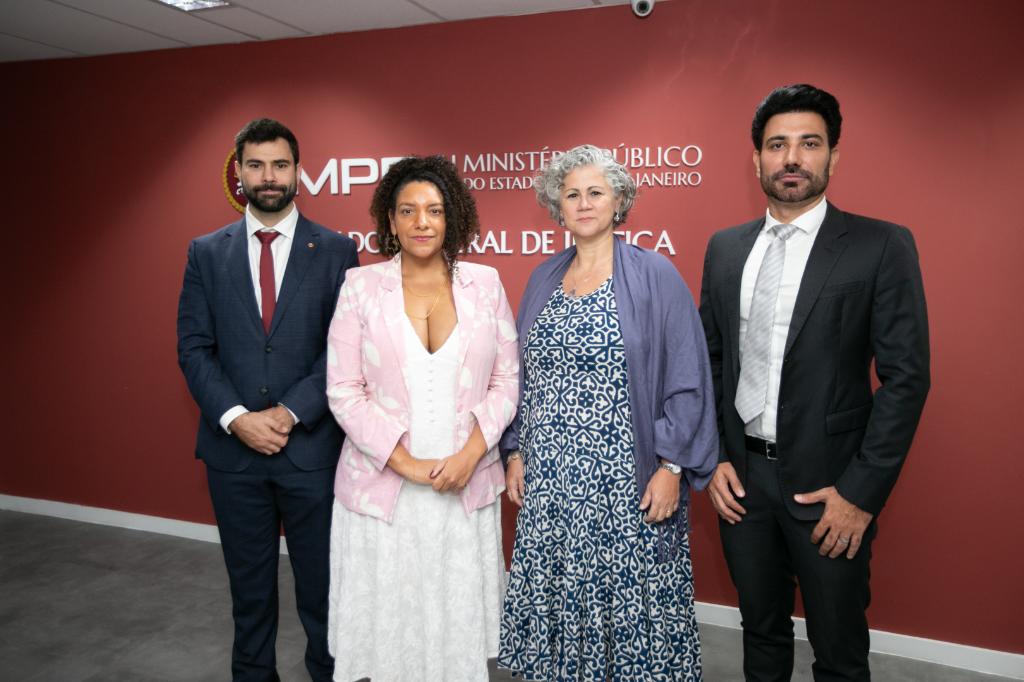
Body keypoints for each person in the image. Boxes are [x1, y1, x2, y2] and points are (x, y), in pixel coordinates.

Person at [699, 84, 930, 681]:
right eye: (777, 145)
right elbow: (712, 362)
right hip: (742, 485)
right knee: (761, 635)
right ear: (757, 159)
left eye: (810, 143)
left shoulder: (880, 245)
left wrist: (860, 494)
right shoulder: (725, 249)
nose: (792, 158)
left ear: (833, 156)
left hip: (831, 490)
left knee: (839, 653)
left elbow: (906, 379)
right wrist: (715, 458)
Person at [499, 144, 718, 681]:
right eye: (572, 194)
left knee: (630, 609)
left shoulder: (654, 274)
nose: (584, 203)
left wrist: (671, 467)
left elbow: (687, 376)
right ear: (557, 206)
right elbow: (521, 376)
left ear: (619, 201)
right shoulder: (542, 278)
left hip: (625, 482)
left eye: (595, 192)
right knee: (561, 602)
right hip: (551, 485)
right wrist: (515, 451)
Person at [177, 118, 358, 682]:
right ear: (239, 173)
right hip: (234, 459)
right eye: (256, 165)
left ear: (298, 171)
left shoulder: (336, 250)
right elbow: (194, 348)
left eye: (280, 164)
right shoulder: (206, 252)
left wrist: (287, 412)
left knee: (324, 593)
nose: (269, 176)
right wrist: (237, 419)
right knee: (249, 595)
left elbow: (345, 351)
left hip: (313, 454)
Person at [324, 155, 518, 682]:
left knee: (456, 632)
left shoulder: (485, 283)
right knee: (391, 630)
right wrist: (406, 464)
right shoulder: (360, 287)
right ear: (390, 221)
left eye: (433, 210)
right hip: (384, 491)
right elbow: (343, 390)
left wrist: (470, 456)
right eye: (407, 211)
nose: (421, 222)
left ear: (451, 217)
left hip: (463, 487)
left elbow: (506, 381)